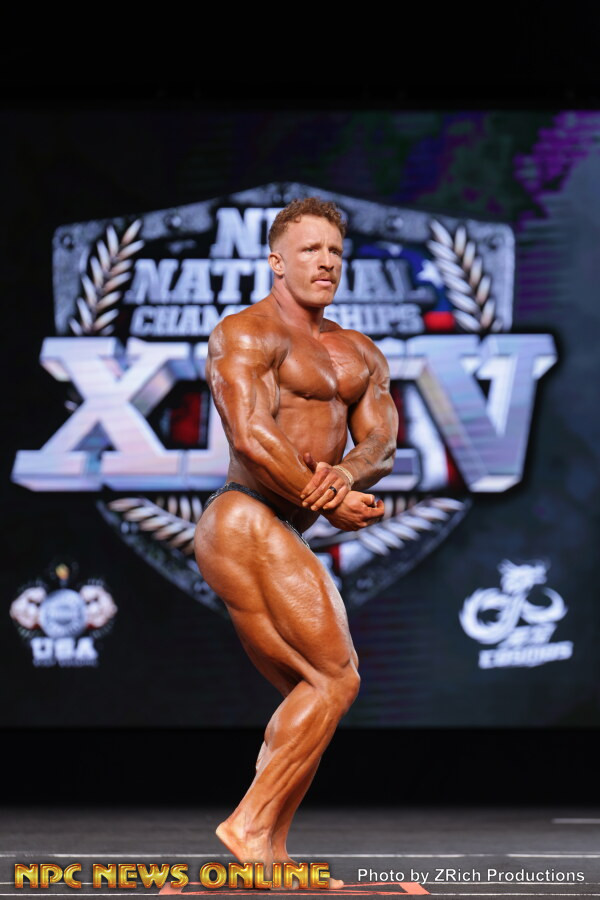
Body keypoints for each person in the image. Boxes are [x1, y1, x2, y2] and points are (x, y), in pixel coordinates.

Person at [194, 197, 398, 887]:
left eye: (335, 251)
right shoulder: (245, 333)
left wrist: (344, 476)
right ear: (276, 261)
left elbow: (381, 442)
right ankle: (248, 827)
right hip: (242, 518)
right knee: (336, 678)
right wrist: (330, 497)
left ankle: (271, 857)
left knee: (316, 694)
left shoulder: (359, 352)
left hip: (281, 526)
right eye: (310, 250)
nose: (326, 262)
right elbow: (251, 435)